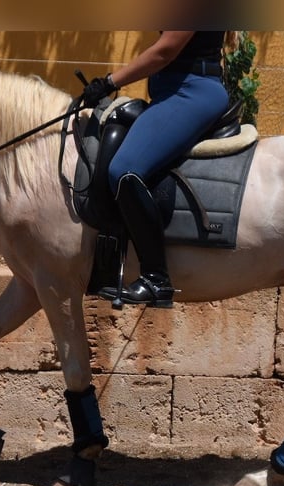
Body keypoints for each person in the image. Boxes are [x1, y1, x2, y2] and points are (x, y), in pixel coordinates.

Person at [82, 31, 230, 308]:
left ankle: (155, 278)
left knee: (125, 170)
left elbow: (165, 51)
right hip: (171, 93)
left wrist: (110, 82)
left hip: (192, 91)